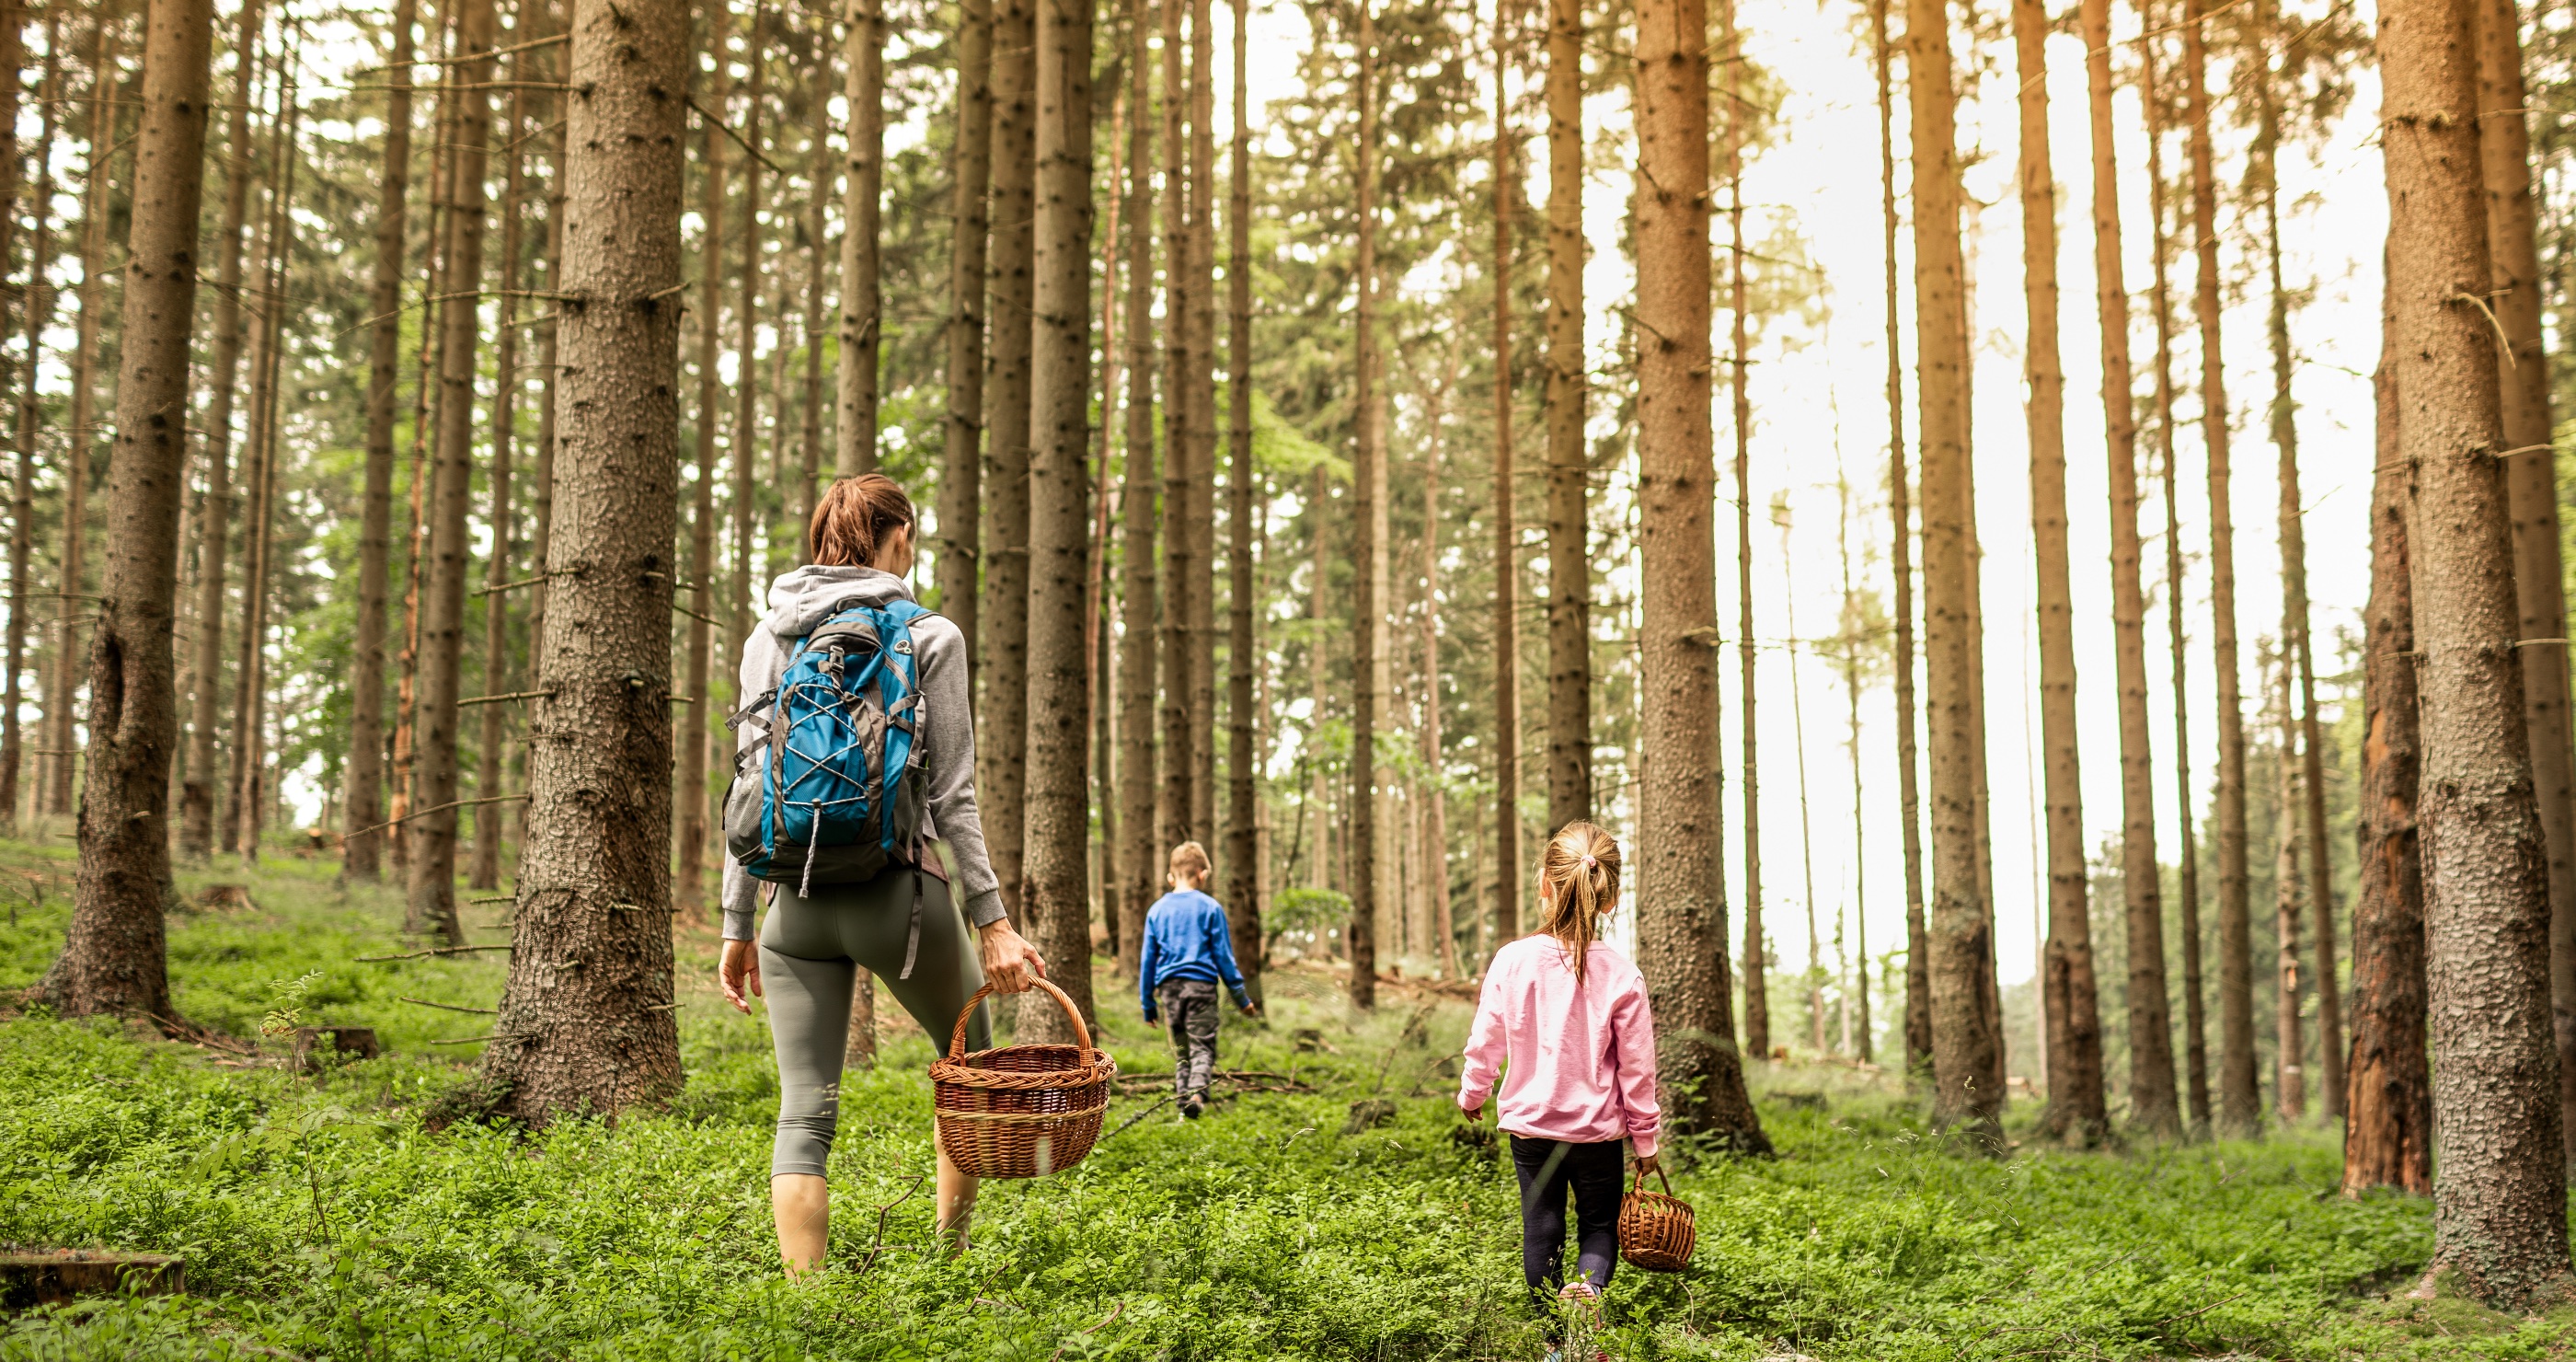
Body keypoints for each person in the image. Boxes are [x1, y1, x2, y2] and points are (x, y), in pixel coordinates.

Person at [716, 473, 1047, 1275]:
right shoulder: (931, 632)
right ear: (898, 536)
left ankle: (810, 1307)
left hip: (790, 907)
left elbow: (749, 781)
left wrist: (736, 926)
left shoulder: (769, 636)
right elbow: (953, 796)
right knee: (965, 1069)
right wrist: (993, 921)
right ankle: (948, 1260)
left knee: (804, 1115)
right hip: (900, 897)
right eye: (913, 536)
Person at [1457, 821, 1660, 1334]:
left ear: (1545, 884)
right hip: (1596, 1133)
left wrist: (1473, 1091)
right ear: (1609, 899)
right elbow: (1638, 1070)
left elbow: (1487, 1040)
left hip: (1532, 1127)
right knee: (1598, 1225)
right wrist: (1646, 1140)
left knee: (1541, 1227)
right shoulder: (1622, 974)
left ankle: (1553, 1340)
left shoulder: (1511, 960)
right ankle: (1587, 1294)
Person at [1136, 841, 1257, 1118]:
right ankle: (1197, 1095)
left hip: (1169, 990)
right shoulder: (1210, 908)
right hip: (1201, 986)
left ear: (1170, 876)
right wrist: (1242, 1000)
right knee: (1202, 1046)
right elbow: (1224, 958)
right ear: (1202, 875)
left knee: (1182, 1050)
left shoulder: (1156, 910)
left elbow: (1148, 961)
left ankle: (1182, 1107)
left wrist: (1148, 1004)